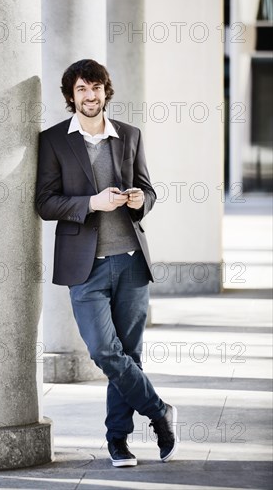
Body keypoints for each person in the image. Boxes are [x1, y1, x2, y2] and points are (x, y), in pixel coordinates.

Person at [35, 59, 178, 467]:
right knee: (103, 350)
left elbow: (149, 190)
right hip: (86, 266)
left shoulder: (129, 136)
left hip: (131, 261)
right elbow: (44, 203)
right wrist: (90, 204)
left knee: (129, 353)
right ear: (70, 97)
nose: (90, 95)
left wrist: (139, 201)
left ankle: (118, 441)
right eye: (82, 89)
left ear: (105, 92)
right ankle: (159, 412)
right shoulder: (54, 141)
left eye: (96, 88)